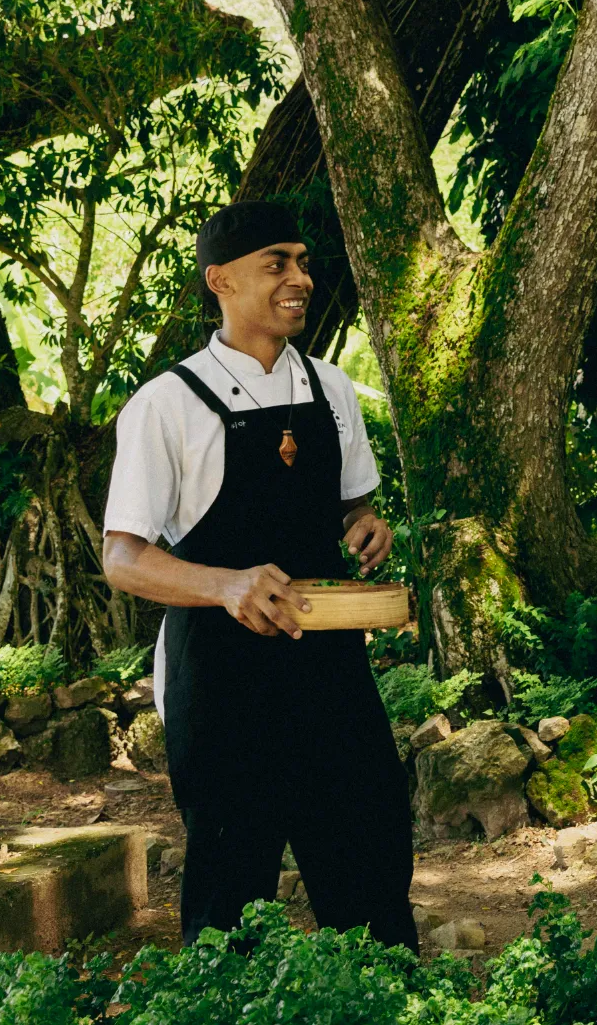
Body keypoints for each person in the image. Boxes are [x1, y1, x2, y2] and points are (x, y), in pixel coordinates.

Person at [100, 199, 416, 950]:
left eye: (303, 262)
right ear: (221, 280)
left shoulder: (332, 389)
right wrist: (227, 585)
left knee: (369, 861)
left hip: (331, 670)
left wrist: (365, 528)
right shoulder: (165, 405)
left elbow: (352, 508)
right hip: (221, 681)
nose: (300, 278)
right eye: (277, 263)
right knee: (230, 888)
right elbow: (123, 557)